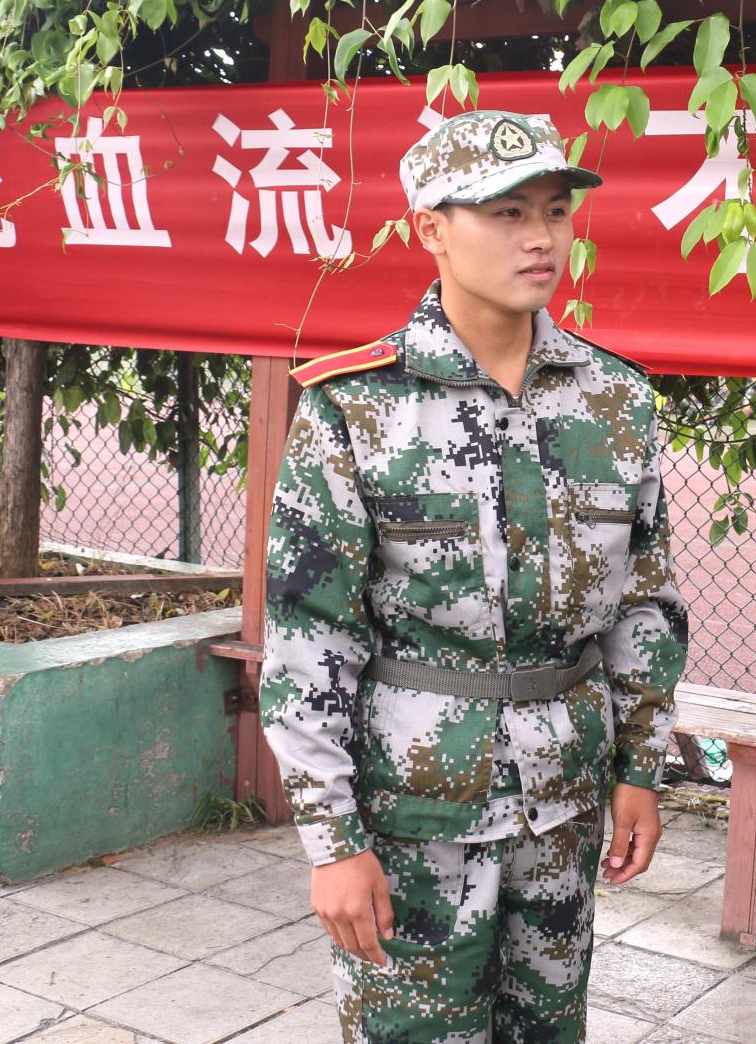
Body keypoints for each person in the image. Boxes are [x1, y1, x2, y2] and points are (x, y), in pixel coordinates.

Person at [259, 110, 690, 1044]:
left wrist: (640, 768)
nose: (540, 237)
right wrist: (332, 841)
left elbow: (643, 603)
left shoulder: (615, 400)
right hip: (415, 818)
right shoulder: (357, 407)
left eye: (555, 210)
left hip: (563, 809)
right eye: (506, 212)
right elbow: (309, 638)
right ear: (432, 229)